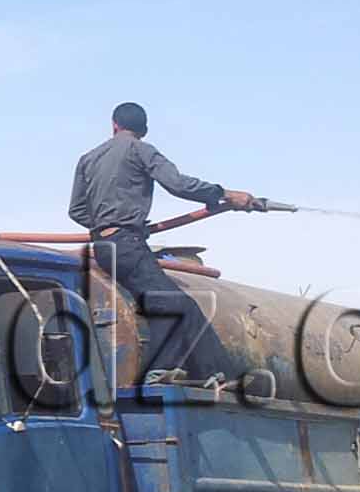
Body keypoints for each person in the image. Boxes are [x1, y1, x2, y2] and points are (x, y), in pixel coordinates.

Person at [68, 101, 257, 388]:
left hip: (105, 248)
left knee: (167, 305)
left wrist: (105, 223)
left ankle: (211, 374)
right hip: (128, 243)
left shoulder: (88, 158)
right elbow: (178, 184)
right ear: (143, 130)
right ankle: (166, 371)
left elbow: (77, 210)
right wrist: (224, 193)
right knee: (176, 304)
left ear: (114, 125)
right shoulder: (140, 150)